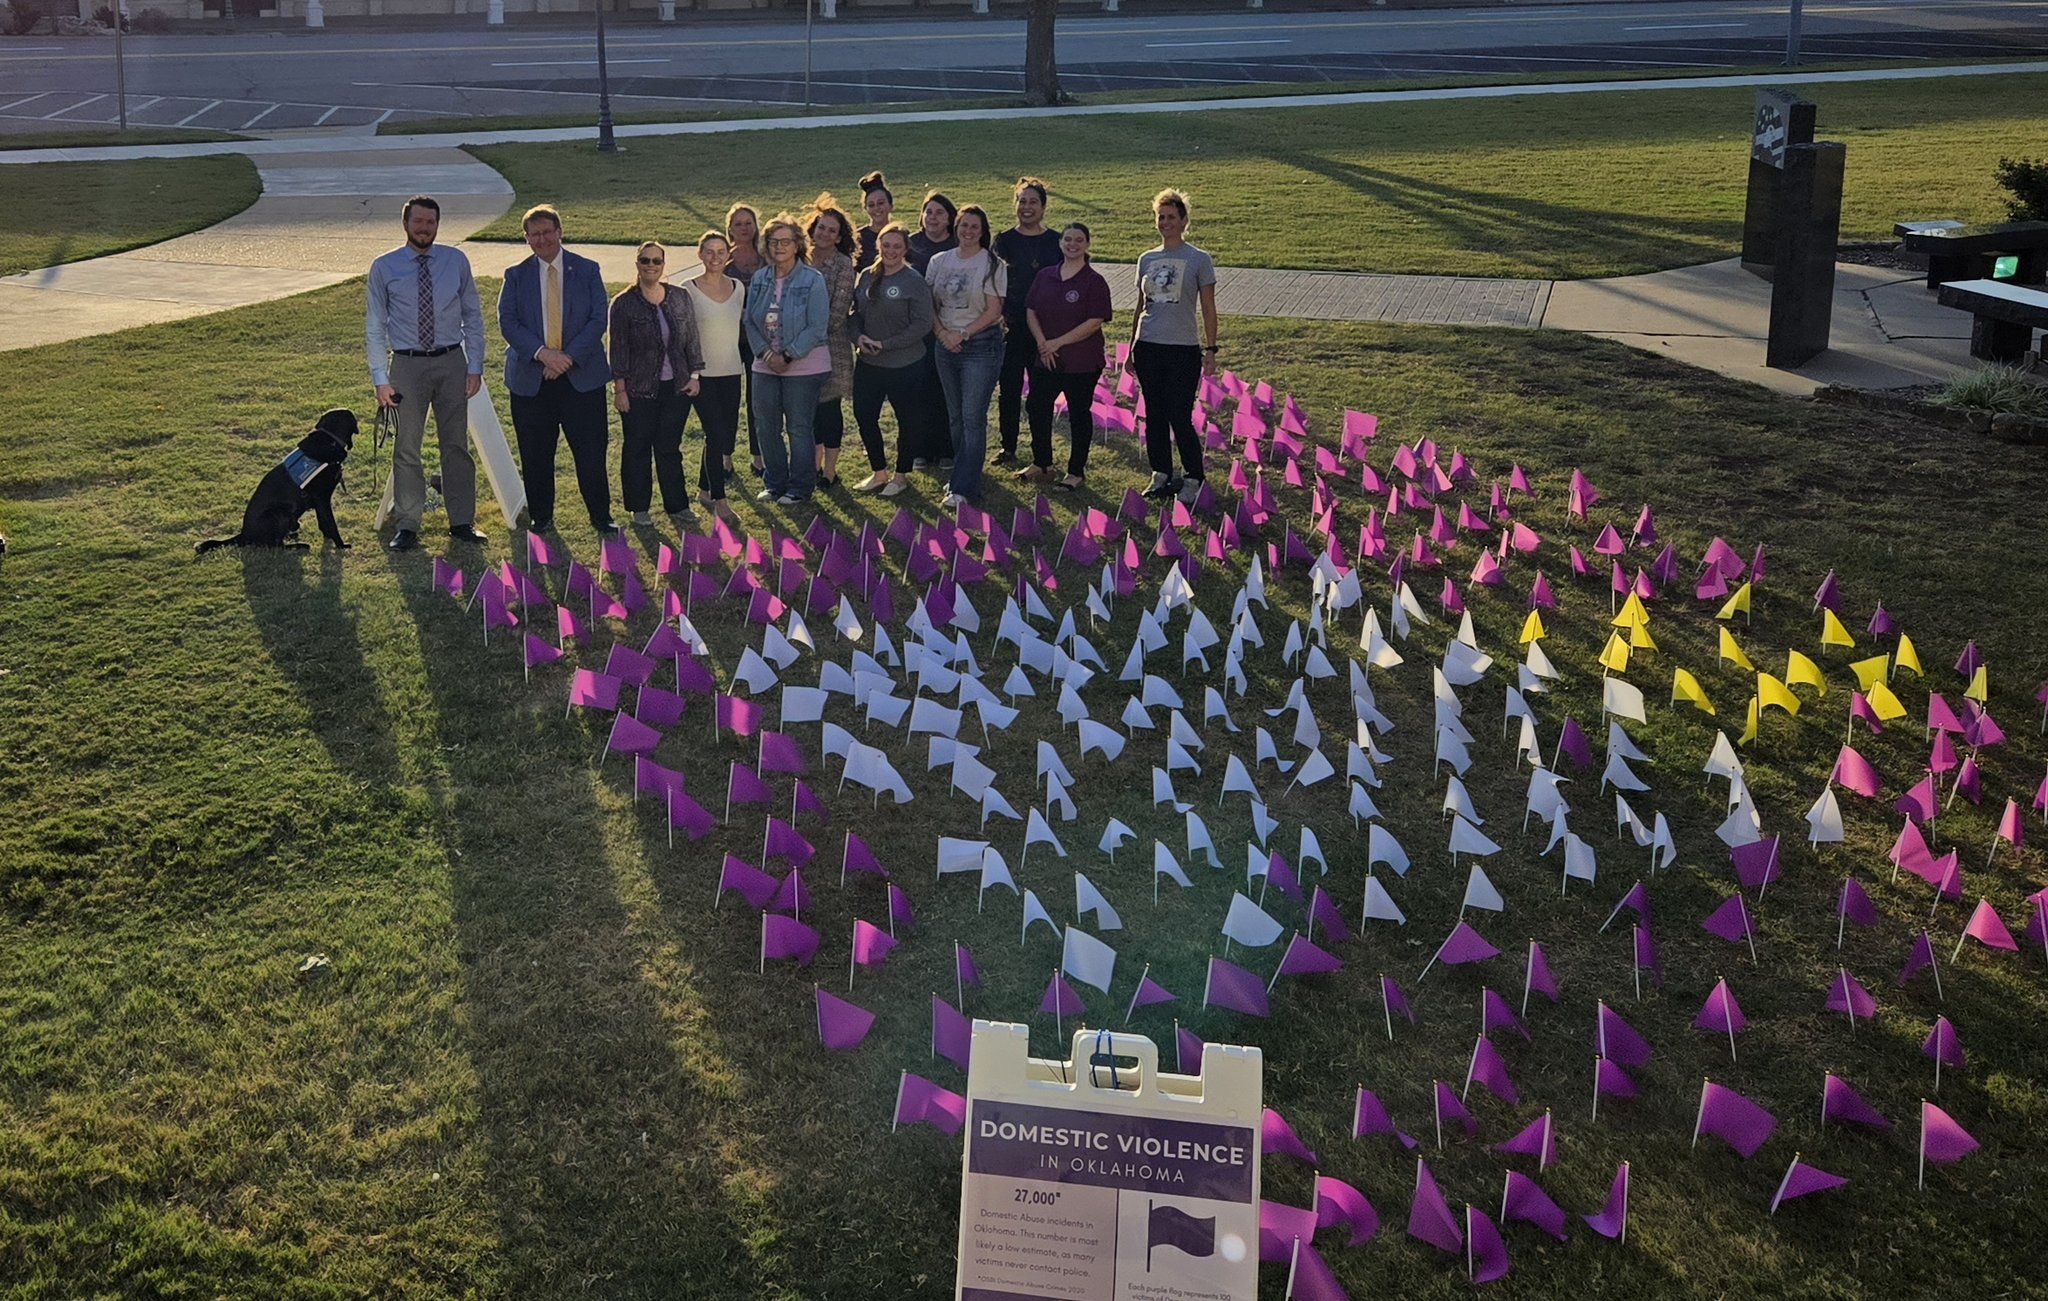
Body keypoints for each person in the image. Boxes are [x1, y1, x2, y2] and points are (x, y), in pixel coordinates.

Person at [364, 194, 486, 552]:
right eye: (418, 222)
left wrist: (474, 365)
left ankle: (462, 521)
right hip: (406, 365)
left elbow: (473, 316)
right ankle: (408, 524)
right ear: (405, 224)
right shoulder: (384, 267)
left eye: (430, 222)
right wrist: (379, 378)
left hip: (451, 362)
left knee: (456, 445)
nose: (424, 228)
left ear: (437, 224)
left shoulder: (456, 261)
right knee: (406, 448)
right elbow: (374, 325)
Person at [498, 204, 616, 535]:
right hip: (532, 381)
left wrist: (566, 358)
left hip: (581, 378)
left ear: (559, 232)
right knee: (536, 454)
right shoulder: (516, 276)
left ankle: (600, 515)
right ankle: (542, 516)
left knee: (591, 451)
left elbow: (597, 318)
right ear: (526, 239)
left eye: (547, 232)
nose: (542, 239)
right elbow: (508, 322)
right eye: (534, 234)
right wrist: (544, 355)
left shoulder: (588, 270)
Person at [1130, 188, 1218, 506]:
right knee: (1154, 413)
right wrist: (1130, 349)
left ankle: (1193, 476)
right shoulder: (1146, 259)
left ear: (1184, 221)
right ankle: (1161, 473)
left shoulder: (1198, 259)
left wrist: (1211, 349)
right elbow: (1140, 308)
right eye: (1161, 217)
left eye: (1171, 217)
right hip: (1148, 346)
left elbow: (1208, 308)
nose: (1165, 222)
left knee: (1179, 414)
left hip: (1182, 349)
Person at [609, 240, 704, 526]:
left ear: (664, 265)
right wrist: (620, 389)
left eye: (656, 261)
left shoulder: (680, 296)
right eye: (645, 260)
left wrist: (695, 376)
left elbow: (691, 338)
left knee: (669, 447)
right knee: (637, 447)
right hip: (638, 389)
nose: (651, 266)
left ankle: (677, 506)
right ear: (637, 264)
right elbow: (618, 349)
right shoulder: (623, 303)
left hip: (676, 386)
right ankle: (639, 508)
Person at [743, 213, 832, 506]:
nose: (778, 246)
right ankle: (774, 483)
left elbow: (817, 326)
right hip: (765, 364)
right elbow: (750, 321)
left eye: (785, 241)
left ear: (797, 244)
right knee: (766, 425)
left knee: (798, 427)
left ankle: (800, 487)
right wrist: (767, 354)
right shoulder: (759, 278)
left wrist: (788, 354)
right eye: (773, 241)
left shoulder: (812, 279)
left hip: (805, 365)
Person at [924, 203, 1007, 511]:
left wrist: (963, 334)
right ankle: (964, 474)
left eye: (975, 226)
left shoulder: (992, 264)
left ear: (983, 231)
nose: (968, 231)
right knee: (956, 416)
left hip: (980, 345)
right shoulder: (939, 260)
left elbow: (993, 311)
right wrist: (943, 334)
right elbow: (929, 303)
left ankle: (963, 487)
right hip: (944, 343)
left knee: (973, 418)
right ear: (955, 228)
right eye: (964, 225)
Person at [1023, 221, 1112, 490]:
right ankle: (1042, 463)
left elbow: (1095, 321)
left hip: (1081, 362)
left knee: (1078, 415)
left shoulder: (1094, 281)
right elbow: (1031, 310)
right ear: (1060, 243)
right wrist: (1042, 343)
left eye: (1078, 240)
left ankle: (1076, 471)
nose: (1072, 244)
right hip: (1046, 356)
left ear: (1087, 245)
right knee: (1036, 408)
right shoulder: (1046, 275)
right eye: (1067, 239)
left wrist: (1057, 343)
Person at [849, 222, 932, 499]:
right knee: (864, 415)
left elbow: (922, 324)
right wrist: (858, 337)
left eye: (897, 246)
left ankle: (900, 475)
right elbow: (853, 315)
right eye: (886, 245)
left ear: (905, 249)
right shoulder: (865, 276)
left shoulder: (913, 280)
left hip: (904, 364)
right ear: (878, 246)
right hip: (869, 363)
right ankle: (879, 472)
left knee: (907, 419)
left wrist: (886, 344)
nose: (891, 250)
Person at [991, 177, 1064, 468]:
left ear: (1044, 207)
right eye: (1022, 201)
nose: (1027, 207)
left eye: (1033, 201)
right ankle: (1008, 447)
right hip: (1011, 329)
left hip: (1045, 332)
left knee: (1040, 396)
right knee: (1008, 390)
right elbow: (995, 285)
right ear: (1015, 205)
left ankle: (1040, 454)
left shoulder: (1056, 242)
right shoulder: (1004, 240)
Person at [682, 230, 746, 520]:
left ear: (728, 255)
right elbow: (682, 337)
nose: (715, 257)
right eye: (709, 251)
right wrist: (691, 374)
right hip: (701, 375)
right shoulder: (687, 289)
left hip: (732, 371)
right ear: (700, 254)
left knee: (724, 435)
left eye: (721, 251)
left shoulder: (738, 287)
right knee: (715, 433)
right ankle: (720, 500)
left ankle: (705, 490)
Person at [805, 195, 859, 490]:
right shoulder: (797, 258)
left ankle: (829, 471)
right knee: (807, 410)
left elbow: (838, 313)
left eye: (831, 230)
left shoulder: (842, 266)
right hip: (798, 350)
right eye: (821, 227)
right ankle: (811, 468)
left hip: (831, 348)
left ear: (839, 237)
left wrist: (805, 335)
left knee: (829, 410)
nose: (824, 233)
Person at [905, 190, 959, 473]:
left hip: (950, 328)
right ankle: (920, 451)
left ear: (950, 217)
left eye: (939, 212)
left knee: (946, 389)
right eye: (929, 212)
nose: (933, 217)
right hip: (916, 330)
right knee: (919, 390)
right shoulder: (911, 244)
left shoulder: (959, 244)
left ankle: (947, 449)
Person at [726, 203, 767, 483]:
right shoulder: (722, 260)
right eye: (738, 223)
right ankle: (725, 457)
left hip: (760, 340)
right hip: (728, 339)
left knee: (758, 399)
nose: (744, 228)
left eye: (748, 222)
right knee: (728, 400)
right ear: (729, 228)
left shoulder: (767, 259)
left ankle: (758, 456)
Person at [854, 171, 893, 272]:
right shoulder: (857, 238)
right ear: (865, 209)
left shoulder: (902, 234)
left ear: (890, 205)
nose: (876, 208)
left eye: (880, 203)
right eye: (871, 205)